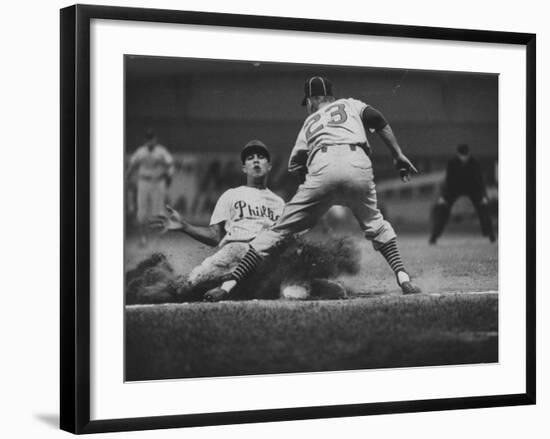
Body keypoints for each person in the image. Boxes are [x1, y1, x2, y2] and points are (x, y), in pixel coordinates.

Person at [203, 76, 421, 302]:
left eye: (307, 102)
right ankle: (404, 278)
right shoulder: (350, 104)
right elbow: (377, 118)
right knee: (376, 224)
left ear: (312, 100)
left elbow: (298, 163)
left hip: (322, 168)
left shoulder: (309, 123)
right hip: (358, 163)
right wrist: (398, 155)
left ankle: (227, 287)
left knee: (274, 233)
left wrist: (310, 203)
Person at [149, 139, 286, 301]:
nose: (256, 160)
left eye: (261, 157)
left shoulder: (279, 203)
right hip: (231, 254)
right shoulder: (231, 195)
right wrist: (184, 226)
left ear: (269, 166)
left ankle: (227, 287)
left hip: (262, 260)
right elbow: (215, 237)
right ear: (244, 168)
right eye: (250, 158)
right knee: (183, 289)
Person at [429, 143, 496, 244]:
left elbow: (480, 181)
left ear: (469, 154)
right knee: (442, 209)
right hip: (454, 189)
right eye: (462, 155)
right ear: (458, 154)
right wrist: (443, 197)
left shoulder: (474, 162)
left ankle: (490, 235)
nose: (464, 157)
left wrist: (483, 196)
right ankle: (434, 237)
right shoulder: (452, 163)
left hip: (473, 189)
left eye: (465, 155)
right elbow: (448, 181)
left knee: (483, 208)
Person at [127, 129, 174, 246]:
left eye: (151, 139)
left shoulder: (161, 151)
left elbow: (170, 164)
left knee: (158, 212)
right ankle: (143, 238)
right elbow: (132, 165)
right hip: (144, 182)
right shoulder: (140, 151)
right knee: (141, 212)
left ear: (155, 139)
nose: (150, 141)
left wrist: (169, 175)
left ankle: (158, 241)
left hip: (158, 182)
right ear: (145, 140)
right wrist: (127, 178)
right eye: (148, 139)